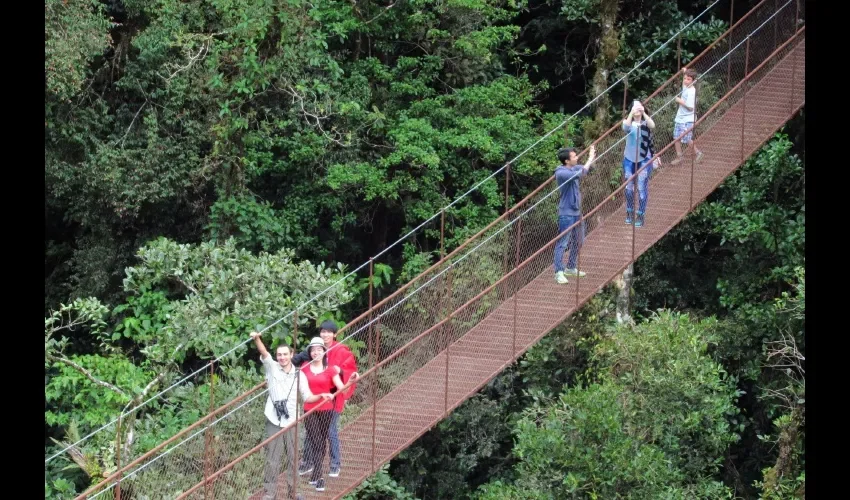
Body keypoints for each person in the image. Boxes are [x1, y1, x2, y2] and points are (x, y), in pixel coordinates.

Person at [250, 332, 330, 500]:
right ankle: (269, 493)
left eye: (285, 354)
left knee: (293, 459)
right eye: (279, 355)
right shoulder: (272, 368)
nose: (282, 357)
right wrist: (256, 338)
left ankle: (293, 492)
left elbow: (307, 397)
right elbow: (264, 353)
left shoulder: (299, 374)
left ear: (291, 355)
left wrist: (322, 395)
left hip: (292, 421)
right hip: (274, 419)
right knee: (272, 459)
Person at [292, 320, 358, 478]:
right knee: (311, 432)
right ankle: (308, 462)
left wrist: (340, 370)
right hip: (315, 399)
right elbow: (295, 363)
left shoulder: (341, 350)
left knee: (330, 430)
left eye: (329, 332)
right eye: (323, 331)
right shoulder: (314, 350)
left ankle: (335, 464)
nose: (325, 334)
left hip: (333, 398)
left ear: (335, 334)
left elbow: (350, 369)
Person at [298, 337, 346, 492]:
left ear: (324, 351)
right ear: (310, 352)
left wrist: (348, 382)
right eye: (313, 350)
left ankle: (315, 474)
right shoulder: (304, 368)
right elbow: (303, 391)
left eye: (319, 349)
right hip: (310, 409)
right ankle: (319, 477)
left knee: (321, 441)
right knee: (315, 440)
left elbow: (341, 388)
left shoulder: (330, 368)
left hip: (326, 409)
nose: (316, 352)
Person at [553, 144, 597, 284]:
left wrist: (593, 157)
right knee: (563, 243)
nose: (577, 157)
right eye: (574, 156)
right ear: (566, 160)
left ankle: (570, 267)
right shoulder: (561, 173)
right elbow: (581, 172)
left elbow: (588, 169)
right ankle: (558, 272)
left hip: (577, 212)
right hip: (566, 212)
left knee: (579, 240)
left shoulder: (574, 167)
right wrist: (589, 158)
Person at [622, 101, 656, 227]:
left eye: (639, 106)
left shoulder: (645, 123)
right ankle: (629, 212)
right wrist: (631, 113)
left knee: (641, 187)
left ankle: (641, 214)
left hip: (644, 159)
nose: (637, 109)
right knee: (629, 187)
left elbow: (652, 125)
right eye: (634, 107)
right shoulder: (628, 123)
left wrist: (644, 113)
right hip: (629, 159)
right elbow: (625, 128)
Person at [671, 68, 703, 165]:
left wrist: (679, 100)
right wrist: (684, 71)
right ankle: (679, 156)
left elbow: (690, 107)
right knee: (676, 137)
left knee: (687, 139)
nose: (685, 80)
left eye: (688, 79)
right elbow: (684, 79)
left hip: (688, 119)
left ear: (693, 81)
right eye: (685, 78)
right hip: (680, 118)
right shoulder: (686, 86)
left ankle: (698, 153)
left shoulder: (692, 92)